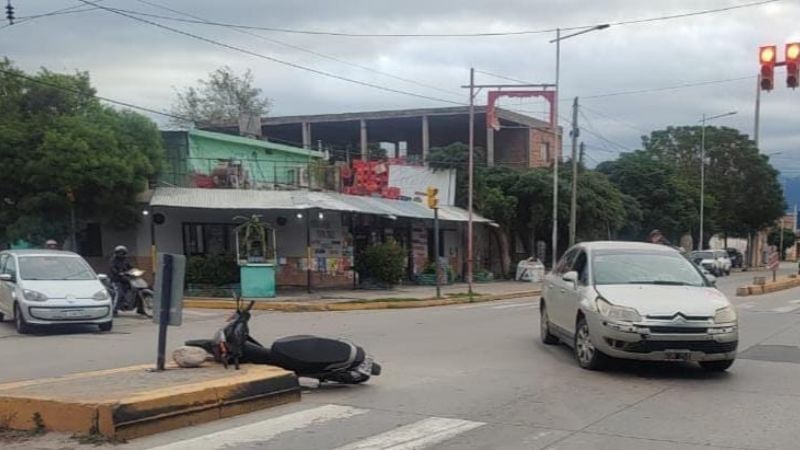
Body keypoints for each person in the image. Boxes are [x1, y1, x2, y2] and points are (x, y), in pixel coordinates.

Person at [109, 245, 142, 315]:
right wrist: (118, 273)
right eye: (120, 253)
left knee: (136, 291)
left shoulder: (125, 260)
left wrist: (135, 271)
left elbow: (130, 267)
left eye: (123, 253)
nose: (121, 254)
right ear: (116, 253)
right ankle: (114, 310)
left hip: (125, 279)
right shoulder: (113, 260)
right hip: (116, 280)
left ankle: (140, 309)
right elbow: (113, 269)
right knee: (119, 293)